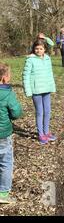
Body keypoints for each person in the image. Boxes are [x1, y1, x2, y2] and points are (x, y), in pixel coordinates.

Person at [23, 40, 57, 145]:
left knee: (47, 111)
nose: (38, 50)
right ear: (34, 49)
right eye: (36, 48)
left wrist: (52, 87)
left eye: (41, 48)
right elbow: (25, 76)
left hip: (46, 89)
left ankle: (46, 132)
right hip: (36, 91)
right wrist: (28, 91)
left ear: (44, 49)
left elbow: (50, 74)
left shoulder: (47, 59)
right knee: (40, 112)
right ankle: (41, 134)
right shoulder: (30, 60)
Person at [0, 63, 23, 204]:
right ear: (4, 78)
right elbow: (16, 112)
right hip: (3, 134)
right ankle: (3, 193)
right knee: (5, 162)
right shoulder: (8, 94)